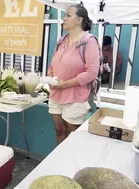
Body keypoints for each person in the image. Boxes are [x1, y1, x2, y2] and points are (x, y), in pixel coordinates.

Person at [47, 4, 100, 145]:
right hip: (56, 94)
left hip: (75, 97)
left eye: (68, 15)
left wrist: (65, 84)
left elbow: (91, 73)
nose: (64, 19)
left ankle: (71, 165)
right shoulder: (61, 41)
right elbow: (52, 64)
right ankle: (59, 161)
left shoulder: (89, 41)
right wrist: (50, 78)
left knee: (73, 135)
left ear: (79, 20)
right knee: (59, 130)